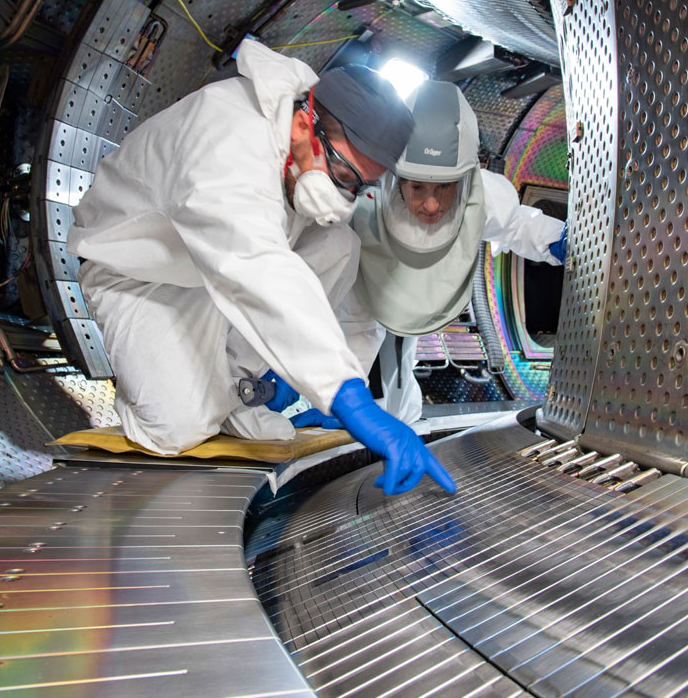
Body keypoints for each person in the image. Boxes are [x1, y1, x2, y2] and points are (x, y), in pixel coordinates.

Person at [67, 38, 456, 497]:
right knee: (176, 428)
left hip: (217, 273)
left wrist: (334, 378)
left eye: (360, 185)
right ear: (302, 123)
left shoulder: (298, 141)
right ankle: (190, 390)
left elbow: (283, 271)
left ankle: (237, 385)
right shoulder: (225, 138)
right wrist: (348, 396)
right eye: (344, 176)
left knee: (339, 245)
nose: (343, 194)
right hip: (142, 276)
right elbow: (261, 269)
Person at [339, 78, 567, 423]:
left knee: (399, 390)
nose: (431, 204)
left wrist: (565, 241)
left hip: (414, 309)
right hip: (362, 297)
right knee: (357, 381)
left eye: (445, 187)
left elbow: (517, 225)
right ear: (396, 177)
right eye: (417, 187)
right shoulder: (365, 197)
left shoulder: (480, 197)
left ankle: (398, 420)